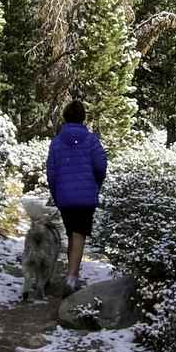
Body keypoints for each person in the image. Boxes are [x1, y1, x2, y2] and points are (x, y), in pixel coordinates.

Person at [45, 100, 107, 292]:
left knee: (73, 232)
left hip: (65, 196)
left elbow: (51, 172)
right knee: (79, 234)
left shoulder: (56, 142)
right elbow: (101, 166)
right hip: (86, 196)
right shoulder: (91, 140)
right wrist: (95, 184)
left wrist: (56, 193)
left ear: (65, 117)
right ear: (83, 118)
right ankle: (72, 278)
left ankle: (71, 273)